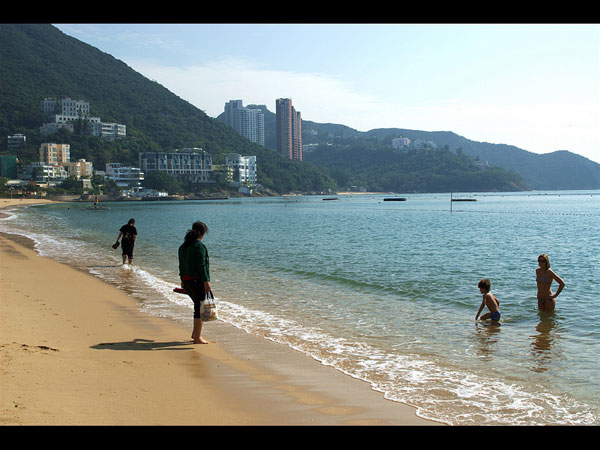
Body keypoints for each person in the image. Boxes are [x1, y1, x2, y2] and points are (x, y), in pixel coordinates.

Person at [178, 221, 211, 344]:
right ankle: (197, 338)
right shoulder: (199, 246)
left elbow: (181, 265)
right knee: (200, 309)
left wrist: (182, 280)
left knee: (198, 306)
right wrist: (206, 281)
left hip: (186, 281)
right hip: (197, 281)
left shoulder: (183, 246)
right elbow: (202, 265)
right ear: (202, 233)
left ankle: (195, 334)